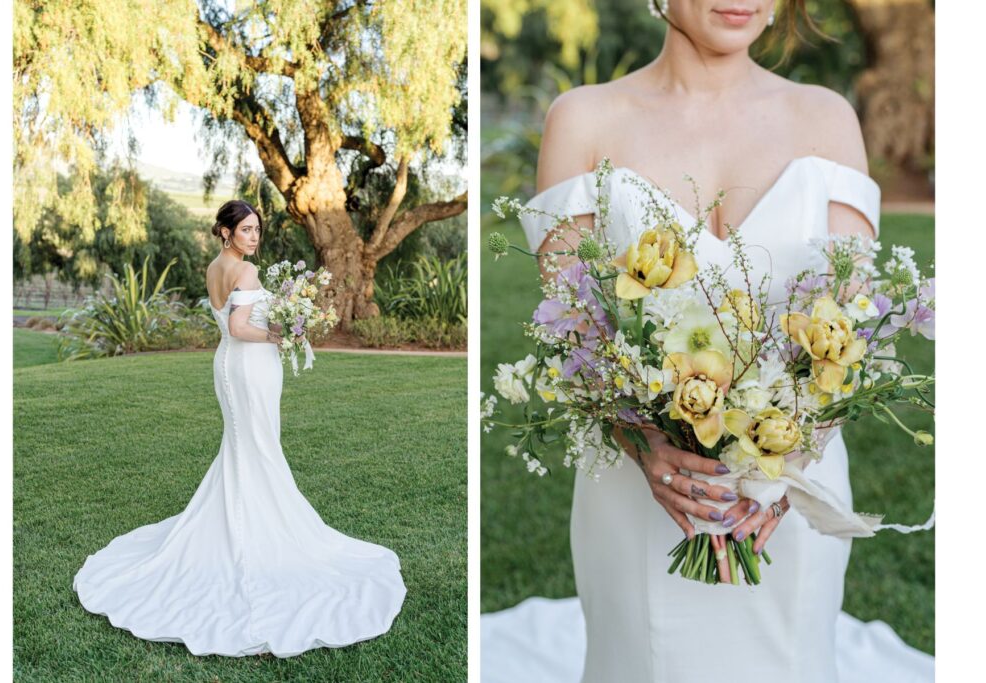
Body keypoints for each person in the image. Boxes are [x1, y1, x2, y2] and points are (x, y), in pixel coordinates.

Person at [481, 2, 933, 681]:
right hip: (638, 504)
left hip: (785, 504)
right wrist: (643, 445)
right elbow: (569, 331)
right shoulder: (582, 120)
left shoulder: (828, 118)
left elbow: (852, 329)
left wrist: (788, 461)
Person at [73, 200, 406, 657]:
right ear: (226, 231)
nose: (254, 237)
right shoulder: (245, 272)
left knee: (244, 447)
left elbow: (227, 323)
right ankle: (257, 532)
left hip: (227, 366)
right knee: (259, 447)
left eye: (257, 230)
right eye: (246, 229)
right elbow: (238, 325)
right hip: (249, 365)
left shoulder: (216, 266)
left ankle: (232, 518)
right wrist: (281, 334)